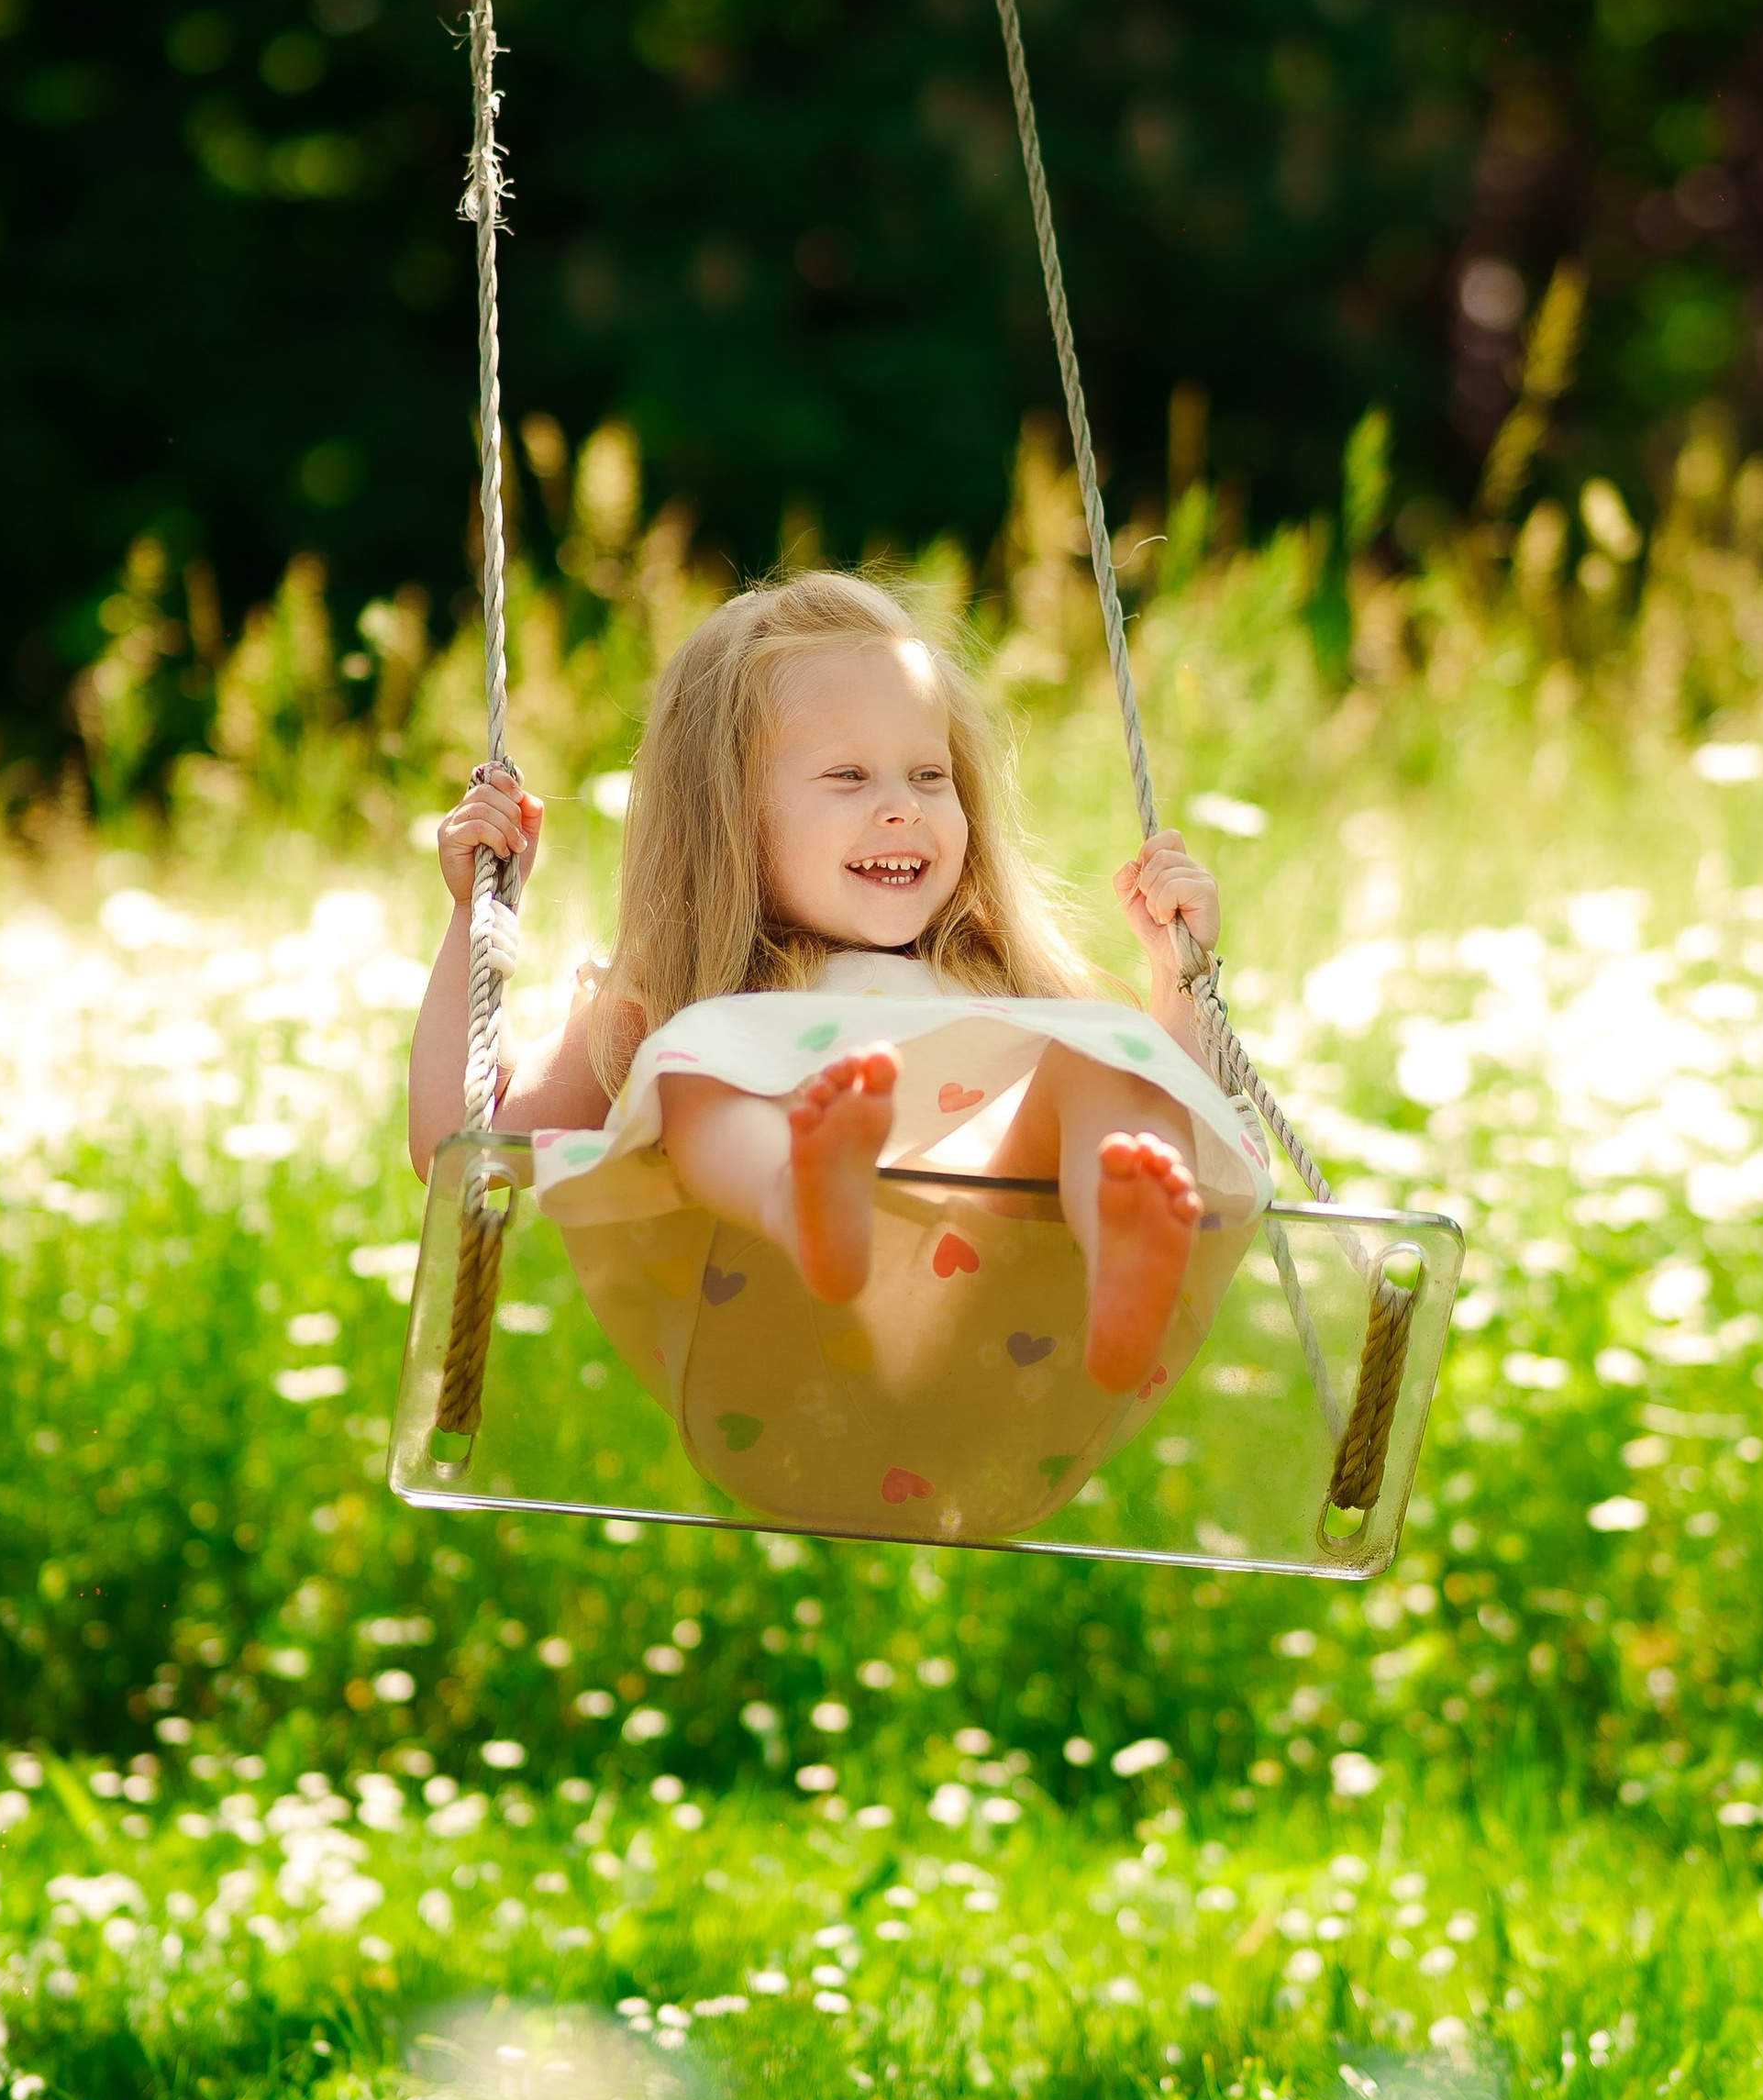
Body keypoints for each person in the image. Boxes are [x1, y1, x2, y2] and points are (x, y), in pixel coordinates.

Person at [409, 574, 1269, 1517]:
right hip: (787, 1365)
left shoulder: (1000, 984)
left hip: (1014, 1349)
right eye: (849, 777)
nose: (902, 808)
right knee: (699, 1057)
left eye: (928, 776)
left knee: (1108, 1051)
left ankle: (1125, 1265)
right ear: (729, 815)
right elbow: (459, 1141)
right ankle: (794, 1189)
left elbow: (1175, 1094)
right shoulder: (680, 996)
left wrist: (1174, 976)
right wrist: (479, 917)